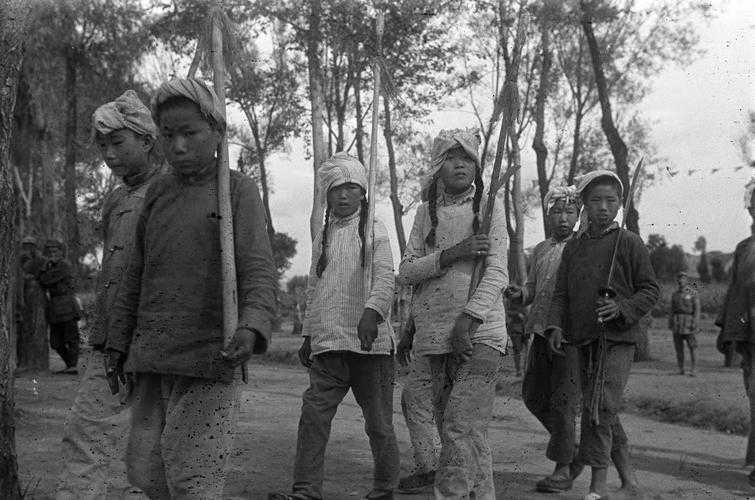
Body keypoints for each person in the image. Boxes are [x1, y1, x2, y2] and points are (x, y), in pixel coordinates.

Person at [105, 78, 277, 498]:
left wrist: (251, 326)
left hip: (210, 355)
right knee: (145, 470)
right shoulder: (158, 191)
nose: (178, 146)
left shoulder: (237, 190)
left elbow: (258, 269)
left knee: (194, 475)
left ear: (217, 132)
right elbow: (135, 271)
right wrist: (117, 341)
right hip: (152, 355)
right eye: (168, 135)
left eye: (189, 133)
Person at [269, 152, 399, 500]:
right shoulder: (322, 236)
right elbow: (315, 288)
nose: (343, 195)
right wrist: (308, 333)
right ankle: (305, 491)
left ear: (363, 193)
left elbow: (386, 278)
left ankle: (385, 488)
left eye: (351, 187)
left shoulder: (374, 229)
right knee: (313, 416)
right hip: (329, 344)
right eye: (336, 189)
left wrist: (372, 312)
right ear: (327, 195)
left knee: (379, 424)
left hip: (370, 346)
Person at [55, 90, 159, 499]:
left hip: (152, 341)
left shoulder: (169, 192)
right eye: (102, 146)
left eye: (117, 142)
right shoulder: (115, 198)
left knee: (152, 451)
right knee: (85, 432)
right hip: (108, 339)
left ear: (147, 140)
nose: (108, 154)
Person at [398, 128, 508, 499]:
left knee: (460, 426)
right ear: (437, 166)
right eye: (451, 158)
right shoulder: (424, 214)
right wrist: (451, 254)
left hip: (480, 335)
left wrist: (468, 320)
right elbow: (407, 271)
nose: (459, 165)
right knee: (463, 431)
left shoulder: (489, 207)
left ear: (476, 166)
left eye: (467, 158)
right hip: (435, 336)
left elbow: (498, 272)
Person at [545, 170, 659, 500]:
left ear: (620, 204)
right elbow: (561, 294)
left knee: (601, 406)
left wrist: (621, 307)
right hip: (582, 338)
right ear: (584, 204)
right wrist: (555, 325)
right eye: (596, 201)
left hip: (618, 339)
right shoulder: (574, 247)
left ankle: (598, 487)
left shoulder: (629, 242)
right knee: (601, 408)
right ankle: (630, 483)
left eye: (611, 201)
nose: (603, 208)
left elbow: (650, 289)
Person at [505, 184, 582, 493]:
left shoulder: (582, 248)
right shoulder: (540, 249)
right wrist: (519, 294)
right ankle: (572, 449)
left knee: (563, 403)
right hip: (538, 331)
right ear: (548, 216)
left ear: (578, 216)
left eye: (569, 212)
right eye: (557, 212)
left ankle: (563, 469)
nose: (563, 218)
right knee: (533, 396)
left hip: (567, 335)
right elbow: (532, 289)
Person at [716, 177, 755, 487]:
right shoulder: (744, 249)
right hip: (747, 333)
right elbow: (734, 291)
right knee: (752, 392)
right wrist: (726, 330)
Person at [38, 238, 81, 373]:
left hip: (67, 305)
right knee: (55, 342)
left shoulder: (64, 265)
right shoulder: (50, 266)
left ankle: (73, 366)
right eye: (50, 252)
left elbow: (45, 280)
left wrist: (45, 269)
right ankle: (70, 365)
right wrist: (46, 266)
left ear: (61, 252)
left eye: (55, 251)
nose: (52, 254)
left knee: (71, 338)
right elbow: (42, 278)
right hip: (55, 307)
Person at [669, 271, 700, 376]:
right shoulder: (675, 294)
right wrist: (671, 322)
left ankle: (694, 369)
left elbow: (697, 309)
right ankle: (680, 369)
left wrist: (695, 322)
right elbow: (672, 309)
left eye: (683, 278)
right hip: (677, 322)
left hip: (689, 322)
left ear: (687, 280)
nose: (681, 280)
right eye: (679, 278)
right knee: (679, 348)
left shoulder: (692, 292)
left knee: (692, 346)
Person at [505, 296, 528, 377]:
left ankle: (526, 370)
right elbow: (506, 312)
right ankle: (518, 370)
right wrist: (517, 314)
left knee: (528, 350)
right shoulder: (510, 300)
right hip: (515, 329)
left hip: (526, 329)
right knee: (517, 350)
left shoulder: (527, 298)